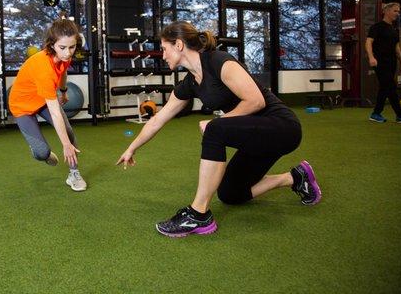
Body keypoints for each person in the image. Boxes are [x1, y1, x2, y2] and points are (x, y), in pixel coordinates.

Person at [116, 21, 321, 238]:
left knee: (215, 130)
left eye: (164, 49)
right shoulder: (191, 83)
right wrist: (132, 148)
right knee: (230, 194)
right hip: (255, 137)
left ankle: (198, 214)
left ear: (179, 45)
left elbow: (256, 101)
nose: (163, 55)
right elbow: (158, 119)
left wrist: (219, 122)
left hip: (282, 127)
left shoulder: (219, 61)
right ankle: (295, 178)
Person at [9, 18, 87, 191]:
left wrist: (64, 91)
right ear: (52, 45)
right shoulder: (43, 68)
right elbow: (55, 113)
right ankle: (41, 153)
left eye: (72, 47)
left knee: (68, 132)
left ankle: (74, 174)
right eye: (62, 47)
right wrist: (65, 146)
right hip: (22, 106)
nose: (68, 53)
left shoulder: (65, 56)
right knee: (42, 152)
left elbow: (64, 71)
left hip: (42, 99)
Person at [365, 2, 401, 123]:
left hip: (392, 62)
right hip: (379, 62)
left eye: (398, 11)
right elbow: (368, 42)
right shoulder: (377, 27)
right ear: (386, 11)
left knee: (385, 87)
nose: (398, 13)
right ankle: (400, 115)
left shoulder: (394, 29)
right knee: (390, 86)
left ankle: (376, 113)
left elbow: (396, 47)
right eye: (395, 11)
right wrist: (371, 57)